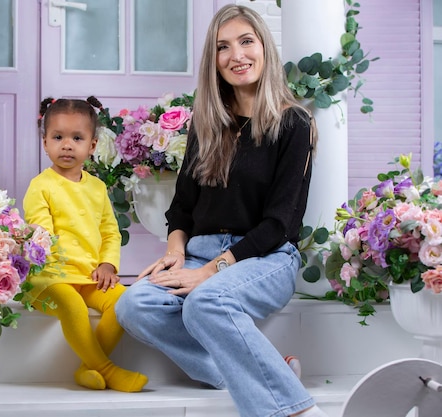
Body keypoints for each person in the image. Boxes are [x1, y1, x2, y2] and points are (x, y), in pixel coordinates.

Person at [115, 5, 327, 417]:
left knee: (205, 303)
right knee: (133, 305)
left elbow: (281, 223)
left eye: (246, 41)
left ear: (264, 47)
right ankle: (268, 374)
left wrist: (210, 272)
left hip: (265, 256)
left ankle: (297, 412)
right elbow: (181, 209)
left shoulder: (294, 123)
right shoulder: (207, 124)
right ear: (213, 62)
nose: (237, 56)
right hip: (199, 251)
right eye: (222, 47)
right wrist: (175, 254)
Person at [23, 97, 148, 393]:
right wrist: (54, 266)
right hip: (50, 279)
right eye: (58, 137)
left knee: (122, 302)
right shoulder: (40, 186)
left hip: (89, 275)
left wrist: (107, 263)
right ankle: (107, 369)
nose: (67, 145)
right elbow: (41, 234)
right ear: (45, 143)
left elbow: (109, 231)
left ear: (92, 146)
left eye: (76, 138)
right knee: (73, 306)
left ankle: (87, 368)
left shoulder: (97, 187)